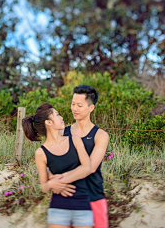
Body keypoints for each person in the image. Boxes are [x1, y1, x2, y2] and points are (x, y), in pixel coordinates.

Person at [22, 102, 94, 228]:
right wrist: (50, 184)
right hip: (58, 207)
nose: (61, 118)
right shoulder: (41, 153)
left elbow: (87, 168)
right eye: (57, 115)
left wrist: (62, 179)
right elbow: (44, 186)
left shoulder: (75, 140)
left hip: (82, 203)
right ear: (48, 122)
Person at [50, 85, 109, 228]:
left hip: (93, 197)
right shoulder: (62, 133)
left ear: (91, 108)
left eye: (79, 105)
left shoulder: (100, 135)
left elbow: (91, 167)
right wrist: (53, 180)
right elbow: (49, 163)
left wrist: (60, 181)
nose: (74, 108)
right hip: (66, 197)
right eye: (72, 104)